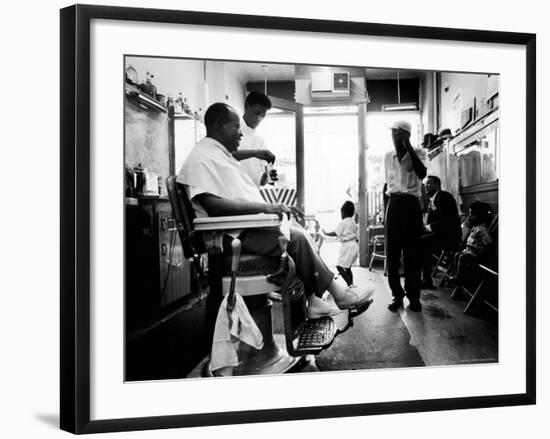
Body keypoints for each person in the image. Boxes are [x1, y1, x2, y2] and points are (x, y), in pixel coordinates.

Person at [177, 102, 375, 321]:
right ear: (218, 126)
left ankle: (314, 300)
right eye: (235, 127)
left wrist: (258, 156)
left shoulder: (217, 154)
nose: (241, 132)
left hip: (240, 230)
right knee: (296, 237)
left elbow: (236, 160)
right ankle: (339, 295)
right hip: (228, 237)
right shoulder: (201, 157)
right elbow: (213, 206)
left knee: (295, 228)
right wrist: (266, 207)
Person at [384, 120, 427, 312]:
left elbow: (422, 173)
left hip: (411, 206)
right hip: (394, 204)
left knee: (412, 254)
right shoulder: (387, 156)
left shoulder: (419, 153)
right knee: (392, 254)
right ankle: (397, 294)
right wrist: (386, 211)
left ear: (406, 136)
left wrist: (408, 146)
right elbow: (388, 185)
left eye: (398, 135)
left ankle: (414, 296)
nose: (394, 138)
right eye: (393, 134)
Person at [420, 175, 462, 288]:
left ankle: (426, 280)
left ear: (437, 185)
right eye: (426, 184)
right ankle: (416, 274)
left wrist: (428, 227)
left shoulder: (444, 197)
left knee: (422, 243)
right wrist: (425, 227)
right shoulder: (433, 198)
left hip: (450, 237)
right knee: (415, 237)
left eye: (429, 183)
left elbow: (446, 221)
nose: (426, 186)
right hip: (440, 233)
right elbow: (432, 221)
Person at [235, 91, 277, 187]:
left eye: (263, 115)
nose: (259, 118)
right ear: (246, 106)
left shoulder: (260, 139)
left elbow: (261, 181)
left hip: (252, 195)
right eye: (257, 113)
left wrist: (267, 177)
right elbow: (225, 155)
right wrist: (255, 153)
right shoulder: (233, 130)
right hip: (232, 193)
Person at [450, 201, 492, 281]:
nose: (469, 216)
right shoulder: (475, 227)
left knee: (462, 257)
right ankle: (456, 274)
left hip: (477, 254)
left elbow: (489, 244)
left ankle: (459, 278)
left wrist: (483, 255)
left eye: (472, 214)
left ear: (480, 216)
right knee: (457, 254)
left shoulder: (483, 229)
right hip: (469, 251)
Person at [322, 201, 359, 286]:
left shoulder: (344, 222)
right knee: (348, 267)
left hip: (347, 246)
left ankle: (349, 284)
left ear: (344, 212)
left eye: (341, 213)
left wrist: (326, 233)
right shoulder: (353, 222)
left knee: (339, 267)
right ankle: (351, 284)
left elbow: (335, 233)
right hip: (354, 245)